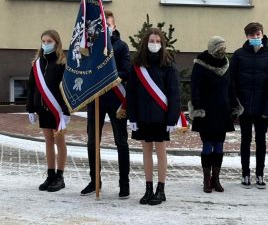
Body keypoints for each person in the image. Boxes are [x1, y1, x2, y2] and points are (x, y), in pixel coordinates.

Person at [127, 28, 181, 205]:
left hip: (161, 117)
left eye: (158, 41)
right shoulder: (137, 65)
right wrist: (132, 117)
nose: (155, 44)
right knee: (146, 151)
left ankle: (161, 189)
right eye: (152, 40)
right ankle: (148, 188)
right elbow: (131, 93)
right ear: (145, 42)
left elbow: (174, 94)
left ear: (162, 44)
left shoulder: (168, 64)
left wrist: (172, 119)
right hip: (142, 116)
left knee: (160, 151)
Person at [80, 10, 132, 198]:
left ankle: (124, 184)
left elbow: (127, 72)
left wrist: (108, 78)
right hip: (95, 100)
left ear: (114, 26)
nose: (105, 28)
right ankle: (95, 180)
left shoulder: (121, 46)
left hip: (116, 100)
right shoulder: (91, 47)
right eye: (102, 26)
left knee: (121, 142)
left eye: (108, 25)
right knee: (93, 141)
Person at [230, 22, 268, 189]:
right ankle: (245, 173)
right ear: (247, 37)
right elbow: (232, 82)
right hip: (244, 106)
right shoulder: (238, 55)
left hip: (262, 108)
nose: (256, 37)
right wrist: (235, 105)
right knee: (245, 141)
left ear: (262, 34)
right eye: (252, 35)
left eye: (258, 34)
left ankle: (260, 174)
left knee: (261, 141)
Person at [189, 36, 242, 193]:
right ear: (212, 49)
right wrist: (197, 109)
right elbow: (195, 88)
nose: (222, 51)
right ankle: (206, 179)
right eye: (219, 49)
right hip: (205, 113)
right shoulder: (200, 64)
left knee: (219, 146)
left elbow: (231, 88)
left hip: (222, 112)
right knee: (207, 145)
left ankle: (216, 179)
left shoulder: (226, 64)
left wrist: (235, 106)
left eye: (224, 49)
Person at [27, 29, 70, 192]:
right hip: (42, 108)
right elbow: (31, 87)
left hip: (57, 110)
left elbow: (66, 90)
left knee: (59, 141)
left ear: (56, 43)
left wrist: (66, 111)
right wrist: (30, 108)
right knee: (48, 141)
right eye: (43, 41)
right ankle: (50, 175)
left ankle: (60, 176)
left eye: (49, 41)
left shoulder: (62, 63)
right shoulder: (37, 64)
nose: (46, 44)